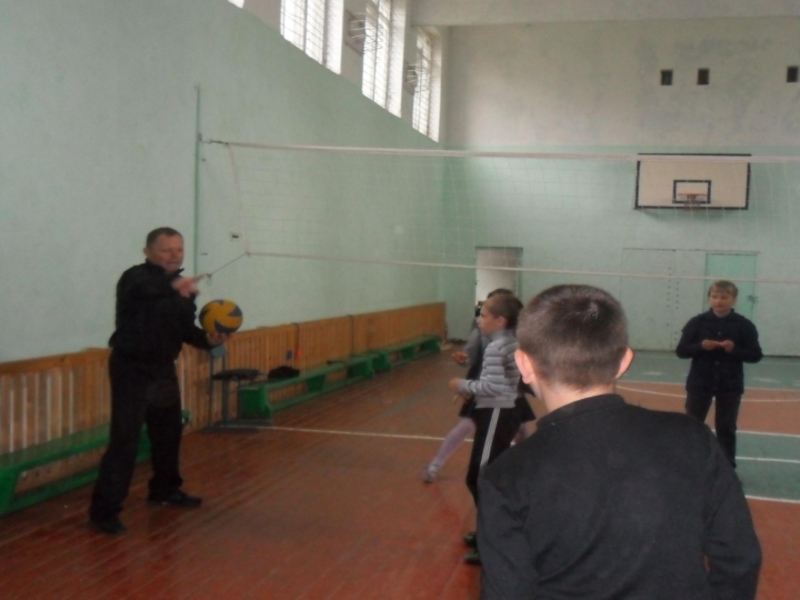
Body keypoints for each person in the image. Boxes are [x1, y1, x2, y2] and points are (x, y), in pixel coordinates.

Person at [478, 285, 761, 599]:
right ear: (624, 361)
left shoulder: (506, 475)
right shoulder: (694, 439)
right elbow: (739, 559)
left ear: (523, 364)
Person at [89, 227, 229, 535]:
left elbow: (185, 330)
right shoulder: (135, 278)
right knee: (125, 439)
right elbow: (150, 289)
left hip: (163, 369)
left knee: (168, 433)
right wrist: (175, 284)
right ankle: (104, 511)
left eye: (178, 249)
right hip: (131, 369)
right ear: (148, 252)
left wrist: (208, 339)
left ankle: (165, 490)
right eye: (166, 249)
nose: (174, 255)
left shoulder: (182, 289)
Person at [423, 290, 535, 483]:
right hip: (484, 389)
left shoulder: (517, 338)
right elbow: (470, 356)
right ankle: (436, 464)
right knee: (466, 426)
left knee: (522, 431)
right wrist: (464, 361)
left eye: (485, 314)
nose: (480, 319)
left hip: (506, 395)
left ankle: (525, 469)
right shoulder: (482, 332)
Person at [448, 293, 524, 565]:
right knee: (482, 478)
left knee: (481, 479)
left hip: (497, 414)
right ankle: (487, 533)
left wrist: (462, 385)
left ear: (500, 320)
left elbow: (492, 387)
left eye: (485, 315)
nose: (480, 320)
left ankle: (491, 540)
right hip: (500, 413)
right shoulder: (508, 343)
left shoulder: (497, 346)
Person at [676, 280, 763, 467]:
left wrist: (734, 349)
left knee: (726, 427)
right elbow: (681, 351)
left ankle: (727, 467)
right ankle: (691, 464)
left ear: (734, 300)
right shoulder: (697, 323)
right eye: (714, 296)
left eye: (724, 297)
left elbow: (755, 355)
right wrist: (700, 346)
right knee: (694, 425)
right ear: (709, 298)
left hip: (730, 384)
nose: (719, 301)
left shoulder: (744, 325)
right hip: (700, 382)